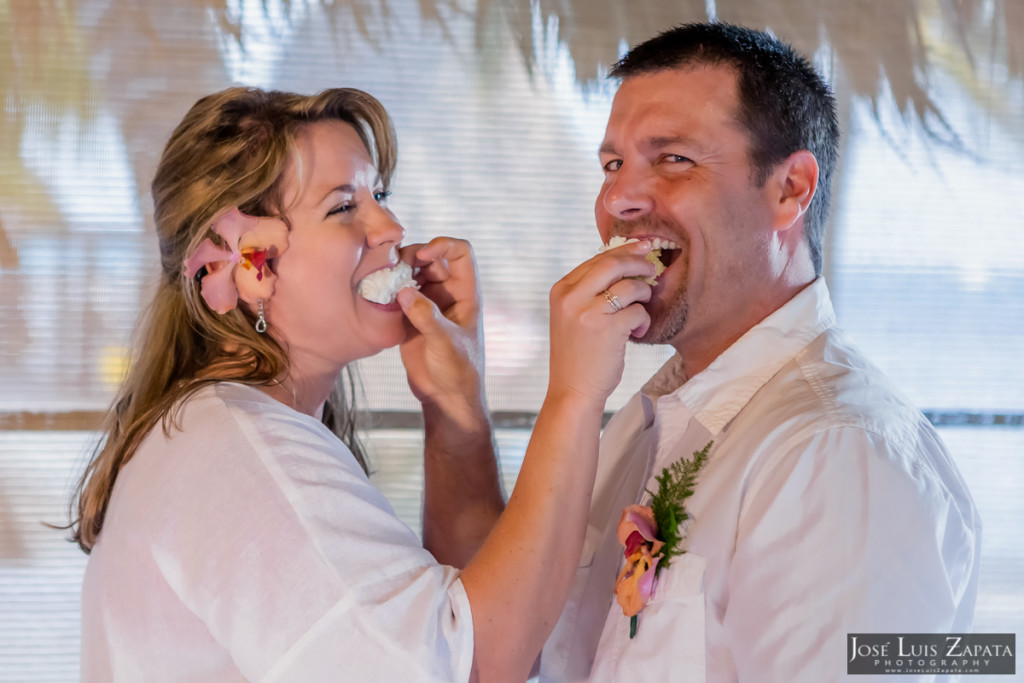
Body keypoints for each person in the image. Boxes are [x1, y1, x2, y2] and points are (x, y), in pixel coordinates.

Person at [70, 86, 658, 682]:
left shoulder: (221, 433)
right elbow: (474, 665)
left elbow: (508, 635)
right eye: (343, 207)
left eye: (378, 194)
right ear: (246, 269)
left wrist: (454, 409)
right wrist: (576, 396)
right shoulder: (243, 450)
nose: (390, 226)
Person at [539, 23, 982, 682]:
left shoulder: (840, 453)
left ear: (790, 190)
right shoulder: (644, 413)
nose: (617, 201)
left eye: (673, 159)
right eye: (613, 165)